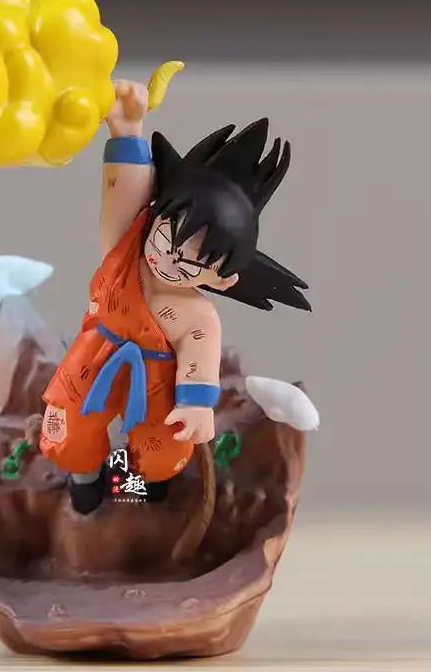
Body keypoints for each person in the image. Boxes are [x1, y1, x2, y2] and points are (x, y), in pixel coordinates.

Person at [40, 80, 311, 514]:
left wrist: (196, 405)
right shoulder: (126, 249)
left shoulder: (197, 315)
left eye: (194, 262)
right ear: (156, 216)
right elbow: (125, 194)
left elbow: (198, 358)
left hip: (156, 379)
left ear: (223, 278)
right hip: (94, 356)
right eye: (169, 239)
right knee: (72, 425)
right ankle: (84, 481)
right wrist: (127, 132)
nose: (170, 260)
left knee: (160, 445)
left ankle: (137, 492)